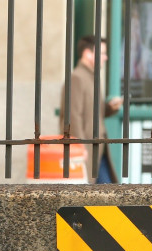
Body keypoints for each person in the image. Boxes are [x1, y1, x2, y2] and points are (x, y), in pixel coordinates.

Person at [60, 35, 124, 184]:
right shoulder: (77, 78)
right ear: (87, 54)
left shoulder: (92, 78)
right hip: (87, 150)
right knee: (102, 198)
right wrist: (80, 147)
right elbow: (72, 116)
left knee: (105, 196)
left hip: (98, 149)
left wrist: (109, 108)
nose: (105, 57)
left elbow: (93, 113)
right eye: (102, 53)